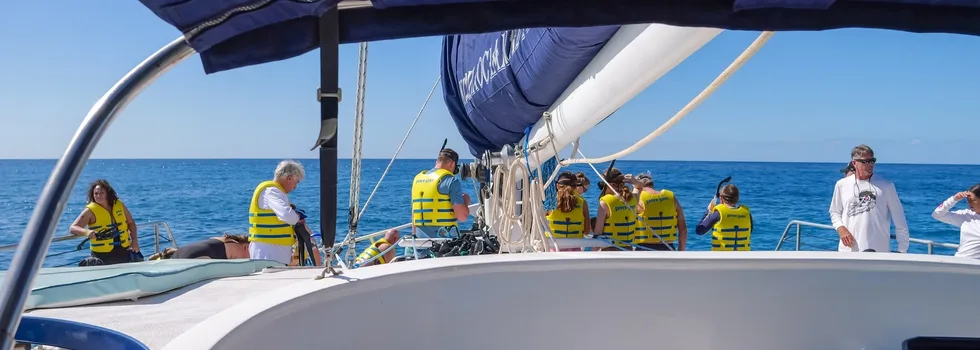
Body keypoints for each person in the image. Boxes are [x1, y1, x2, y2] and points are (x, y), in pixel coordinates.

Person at [829, 144, 910, 253]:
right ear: (854, 163)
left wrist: (902, 250)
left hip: (878, 251)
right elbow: (834, 212)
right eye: (865, 161)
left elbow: (899, 218)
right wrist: (840, 228)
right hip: (848, 251)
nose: (870, 164)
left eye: (872, 160)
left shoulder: (886, 186)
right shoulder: (841, 184)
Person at [69, 179, 140, 265]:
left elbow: (131, 223)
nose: (98, 195)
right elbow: (73, 228)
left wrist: (135, 241)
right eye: (96, 193)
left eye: (102, 193)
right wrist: (87, 232)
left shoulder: (118, 204)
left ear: (107, 194)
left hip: (124, 251)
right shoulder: (89, 211)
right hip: (102, 255)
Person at [248, 160, 306, 265]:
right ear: (289, 178)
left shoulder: (275, 192)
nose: (295, 187)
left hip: (273, 250)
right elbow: (287, 216)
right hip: (268, 252)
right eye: (296, 182)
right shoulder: (271, 192)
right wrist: (297, 216)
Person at [410, 148, 471, 239]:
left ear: (437, 162)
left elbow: (414, 216)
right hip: (444, 245)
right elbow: (462, 217)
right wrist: (465, 201)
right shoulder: (451, 180)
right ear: (452, 164)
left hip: (420, 243)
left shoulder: (417, 179)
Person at [631, 173, 687, 251]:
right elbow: (683, 229)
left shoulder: (638, 199)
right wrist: (681, 252)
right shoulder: (671, 197)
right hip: (668, 248)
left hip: (644, 249)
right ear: (652, 184)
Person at [593, 168, 641, 250]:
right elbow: (639, 187)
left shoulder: (605, 202)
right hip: (628, 249)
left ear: (611, 185)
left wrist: (594, 252)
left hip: (610, 249)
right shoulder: (633, 198)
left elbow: (598, 233)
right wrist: (635, 182)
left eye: (602, 185)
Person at [696, 184, 752, 251]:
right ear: (737, 198)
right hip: (743, 258)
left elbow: (699, 231)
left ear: (721, 199)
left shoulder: (717, 214)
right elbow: (749, 231)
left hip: (721, 258)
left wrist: (708, 212)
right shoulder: (747, 214)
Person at [545, 172, 592, 251]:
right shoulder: (583, 203)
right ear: (575, 187)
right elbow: (587, 231)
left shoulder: (550, 202)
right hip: (575, 250)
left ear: (557, 186)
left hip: (553, 248)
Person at [931, 185, 980, 259]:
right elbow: (937, 214)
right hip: (959, 260)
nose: (969, 203)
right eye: (968, 200)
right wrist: (954, 199)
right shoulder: (966, 215)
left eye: (972, 200)